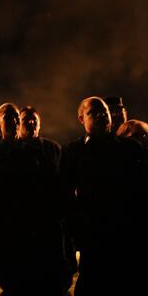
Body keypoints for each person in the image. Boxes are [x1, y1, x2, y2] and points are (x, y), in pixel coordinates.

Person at [0, 105, 73, 295]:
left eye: (17, 117)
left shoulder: (46, 150)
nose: (15, 122)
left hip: (45, 235)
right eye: (9, 117)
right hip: (13, 238)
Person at [62, 97, 148, 295]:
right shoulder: (73, 152)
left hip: (127, 238)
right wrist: (78, 230)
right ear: (81, 119)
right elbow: (65, 195)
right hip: (94, 240)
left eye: (105, 111)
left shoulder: (130, 148)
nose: (102, 114)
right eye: (93, 112)